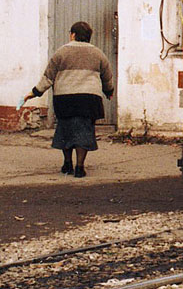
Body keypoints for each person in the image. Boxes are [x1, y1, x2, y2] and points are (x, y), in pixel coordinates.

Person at [22, 21, 114, 178]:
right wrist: (108, 91)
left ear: (73, 35)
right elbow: (107, 77)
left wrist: (34, 93)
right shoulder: (99, 54)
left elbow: (48, 78)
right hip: (89, 99)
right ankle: (80, 167)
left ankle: (67, 164)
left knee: (66, 130)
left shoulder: (61, 52)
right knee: (84, 131)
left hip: (65, 98)